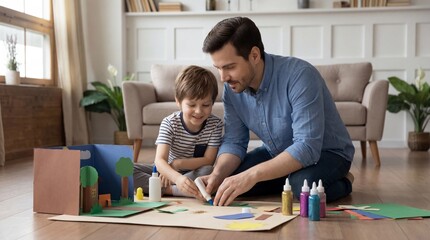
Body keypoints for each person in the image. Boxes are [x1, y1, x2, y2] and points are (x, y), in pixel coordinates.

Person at [200, 17, 355, 206]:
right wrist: (217, 174)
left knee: (301, 187)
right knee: (228, 181)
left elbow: (307, 147)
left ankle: (345, 180)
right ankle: (284, 176)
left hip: (327, 153)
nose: (223, 78)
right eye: (218, 68)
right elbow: (234, 141)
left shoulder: (300, 75)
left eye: (230, 67)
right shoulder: (233, 89)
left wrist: (252, 175)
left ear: (254, 55)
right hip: (277, 151)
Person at [133, 65, 223, 198]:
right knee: (127, 169)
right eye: (192, 105)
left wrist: (178, 164)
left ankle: (167, 189)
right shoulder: (169, 123)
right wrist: (176, 178)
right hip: (167, 172)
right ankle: (174, 190)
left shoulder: (215, 125)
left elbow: (209, 160)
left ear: (212, 103)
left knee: (209, 171)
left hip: (193, 172)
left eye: (205, 105)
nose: (198, 111)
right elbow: (160, 161)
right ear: (178, 101)